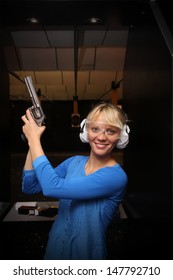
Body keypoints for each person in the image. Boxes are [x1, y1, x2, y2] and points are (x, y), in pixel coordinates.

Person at [21, 102, 130, 260]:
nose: (101, 137)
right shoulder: (73, 162)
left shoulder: (115, 177)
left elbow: (52, 187)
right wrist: (32, 144)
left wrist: (34, 140)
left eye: (110, 131)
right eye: (95, 129)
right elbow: (30, 187)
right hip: (54, 251)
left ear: (121, 136)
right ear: (86, 131)